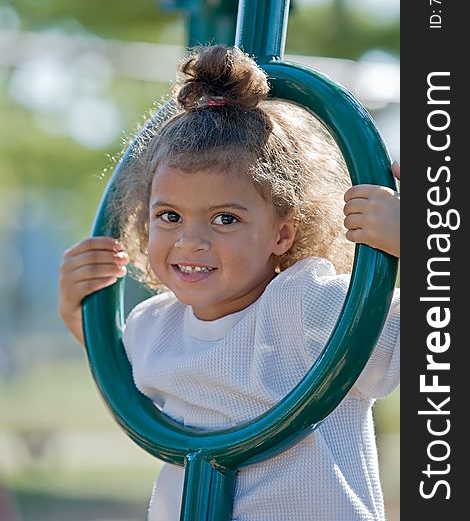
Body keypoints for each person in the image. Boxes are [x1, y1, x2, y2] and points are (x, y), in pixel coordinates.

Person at [59, 45, 400, 521]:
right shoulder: (154, 325)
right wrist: (82, 315)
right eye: (170, 216)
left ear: (282, 232)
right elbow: (125, 380)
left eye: (224, 218)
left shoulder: (306, 304)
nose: (191, 241)